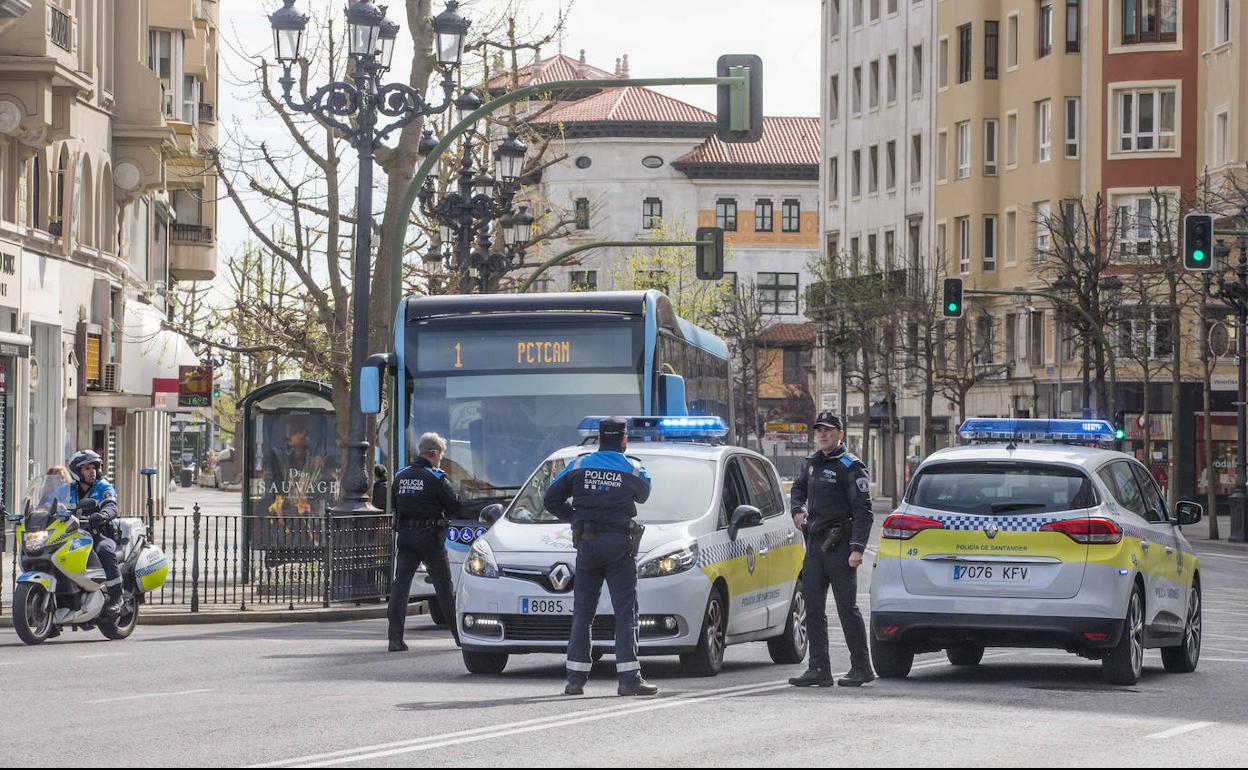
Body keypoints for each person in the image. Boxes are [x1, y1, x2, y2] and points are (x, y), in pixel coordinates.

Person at [543, 417, 657, 697]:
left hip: (587, 543)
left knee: (583, 612)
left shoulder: (579, 465)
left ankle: (575, 679)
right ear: (623, 439)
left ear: (598, 438)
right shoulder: (633, 467)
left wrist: (575, 518)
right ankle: (629, 678)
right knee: (625, 612)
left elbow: (550, 499)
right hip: (619, 544)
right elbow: (644, 495)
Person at [788, 413, 876, 688]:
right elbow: (797, 490)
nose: (823, 435)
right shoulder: (812, 463)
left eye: (828, 431)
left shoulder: (850, 467)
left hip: (840, 546)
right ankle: (818, 668)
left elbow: (864, 511)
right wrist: (797, 512)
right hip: (814, 545)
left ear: (840, 434)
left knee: (846, 609)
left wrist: (858, 548)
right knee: (812, 607)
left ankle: (861, 667)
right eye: (819, 431)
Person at [387, 433, 460, 651]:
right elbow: (454, 505)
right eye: (441, 455)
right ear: (434, 453)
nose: (440, 459)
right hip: (430, 538)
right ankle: (459, 636)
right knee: (444, 588)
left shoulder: (401, 476)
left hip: (406, 537)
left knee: (400, 587)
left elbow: (395, 504)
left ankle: (395, 639)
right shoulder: (436, 477)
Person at [56, 451, 123, 617]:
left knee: (105, 551)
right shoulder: (66, 489)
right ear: (77, 471)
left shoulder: (103, 486)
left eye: (93, 467)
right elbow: (48, 503)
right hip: (72, 535)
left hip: (99, 535)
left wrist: (104, 514)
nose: (92, 471)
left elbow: (111, 505)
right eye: (86, 468)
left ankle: (117, 597)